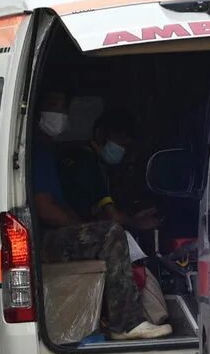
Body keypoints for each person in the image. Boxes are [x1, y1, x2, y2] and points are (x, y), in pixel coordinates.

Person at [32, 89, 171, 341]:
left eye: (63, 108)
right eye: (53, 105)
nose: (59, 114)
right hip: (43, 239)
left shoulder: (50, 152)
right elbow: (45, 208)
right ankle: (126, 323)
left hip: (54, 235)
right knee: (110, 233)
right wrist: (83, 225)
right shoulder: (44, 154)